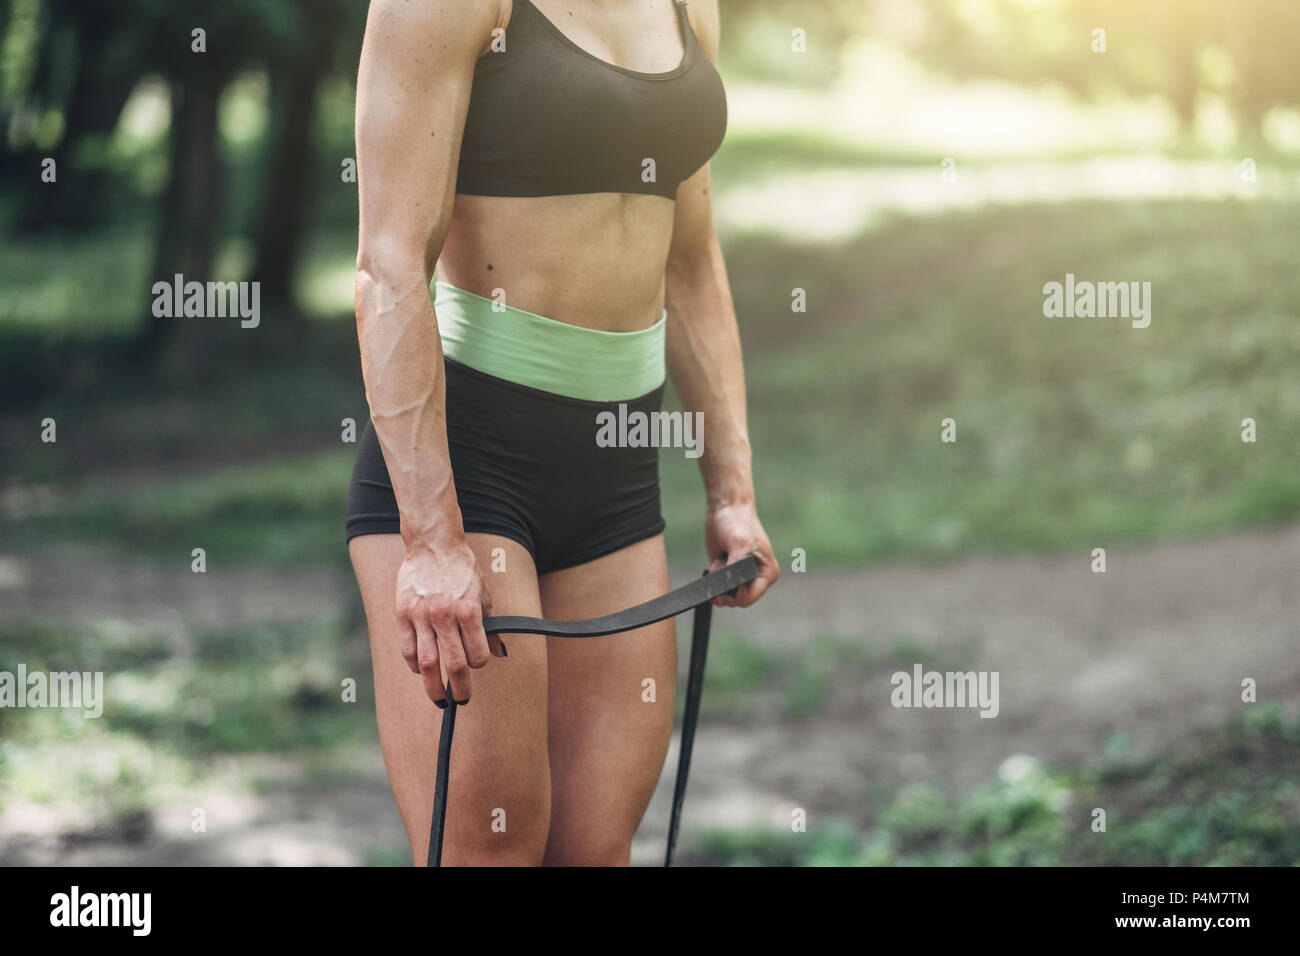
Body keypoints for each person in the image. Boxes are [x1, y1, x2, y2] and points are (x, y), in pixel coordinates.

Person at [347, 0, 779, 866]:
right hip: (472, 470)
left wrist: (732, 490)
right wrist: (432, 540)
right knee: (490, 854)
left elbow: (691, 259)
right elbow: (389, 265)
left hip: (616, 480)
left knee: (595, 852)